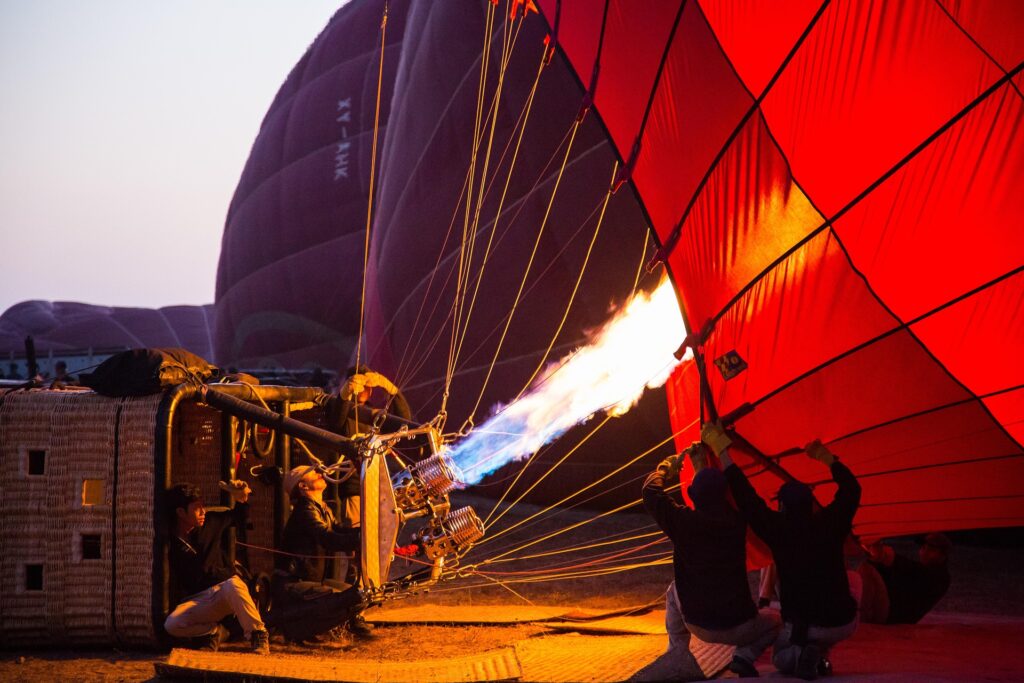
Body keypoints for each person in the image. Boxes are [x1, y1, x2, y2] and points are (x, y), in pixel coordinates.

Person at [711, 422, 861, 681]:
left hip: (804, 625)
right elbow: (852, 490)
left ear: (781, 507)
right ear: (810, 505)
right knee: (855, 579)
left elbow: (746, 499)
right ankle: (817, 655)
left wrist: (722, 451)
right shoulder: (831, 521)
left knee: (781, 658)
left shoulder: (777, 528)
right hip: (843, 622)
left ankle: (802, 653)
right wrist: (827, 459)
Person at [642, 441, 781, 678]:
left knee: (673, 591)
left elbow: (649, 492)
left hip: (696, 624)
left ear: (694, 495)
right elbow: (744, 496)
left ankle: (678, 651)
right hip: (740, 626)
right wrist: (720, 454)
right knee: (777, 621)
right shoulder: (737, 524)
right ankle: (744, 656)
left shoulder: (682, 522)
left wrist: (665, 469)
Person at [164, 481, 270, 654]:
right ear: (181, 512)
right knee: (172, 624)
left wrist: (241, 496)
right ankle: (212, 632)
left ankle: (258, 633)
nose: (203, 512)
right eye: (197, 508)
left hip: (224, 590)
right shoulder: (169, 537)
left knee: (233, 584)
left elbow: (238, 516)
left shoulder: (210, 522)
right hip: (198, 598)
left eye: (203, 507)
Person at [269, 465, 365, 644]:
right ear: (303, 486)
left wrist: (364, 533)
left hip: (306, 583)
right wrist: (360, 537)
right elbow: (327, 538)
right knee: (352, 597)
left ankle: (304, 629)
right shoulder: (305, 510)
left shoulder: (322, 508)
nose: (321, 473)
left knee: (360, 597)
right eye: (313, 473)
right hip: (292, 584)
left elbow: (339, 531)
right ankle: (296, 630)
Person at [859, 533, 951, 624]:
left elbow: (911, 569)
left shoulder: (940, 577)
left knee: (867, 569)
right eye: (923, 548)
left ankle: (858, 615)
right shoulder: (924, 572)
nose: (925, 552)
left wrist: (884, 555)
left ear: (943, 556)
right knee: (868, 568)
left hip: (895, 618)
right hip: (893, 614)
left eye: (931, 549)